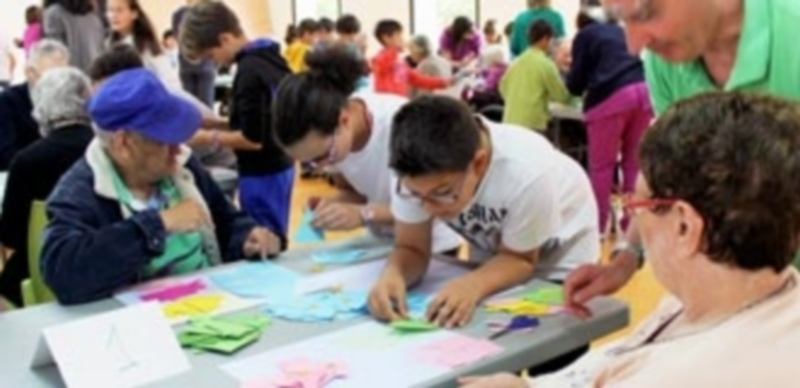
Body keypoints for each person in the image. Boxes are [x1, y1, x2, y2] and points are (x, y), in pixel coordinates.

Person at [459, 92, 800, 388]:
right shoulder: (737, 293)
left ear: (684, 227)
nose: (634, 217)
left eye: (637, 204)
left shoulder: (687, 374)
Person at [567, 0, 800, 312]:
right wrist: (628, 254)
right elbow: (670, 172)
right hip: (740, 292)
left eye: (646, 14)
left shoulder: (791, 34)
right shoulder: (667, 63)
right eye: (623, 21)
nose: (634, 46)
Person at [41, 69, 280, 305]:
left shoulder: (182, 166)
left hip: (210, 307)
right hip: (140, 327)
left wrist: (248, 238)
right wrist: (159, 224)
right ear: (123, 144)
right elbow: (63, 274)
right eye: (164, 140)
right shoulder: (81, 190)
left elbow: (228, 222)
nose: (178, 148)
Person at [368, 95, 599, 329]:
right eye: (416, 195)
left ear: (478, 164)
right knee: (488, 335)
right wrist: (394, 274)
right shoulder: (412, 173)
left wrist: (472, 285)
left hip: (560, 252)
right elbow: (412, 247)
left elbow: (520, 259)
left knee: (552, 342)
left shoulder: (526, 174)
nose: (428, 207)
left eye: (443, 193)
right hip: (498, 249)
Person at [272, 45, 462, 254]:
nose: (319, 167)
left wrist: (363, 214)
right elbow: (353, 192)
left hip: (432, 244)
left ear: (343, 121)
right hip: (381, 245)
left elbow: (428, 204)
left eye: (322, 157)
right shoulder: (331, 142)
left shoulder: (400, 125)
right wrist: (331, 205)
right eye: (308, 163)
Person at [180, 0, 295, 250]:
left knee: (264, 239)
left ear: (225, 38)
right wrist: (213, 122)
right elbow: (257, 120)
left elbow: (253, 139)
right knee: (275, 233)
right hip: (281, 165)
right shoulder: (269, 58)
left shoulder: (247, 72)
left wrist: (202, 137)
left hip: (262, 172)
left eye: (211, 56)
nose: (215, 63)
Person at [0, 67, 94, 307]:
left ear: (40, 108)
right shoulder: (107, 150)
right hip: (102, 262)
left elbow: (10, 236)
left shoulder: (26, 162)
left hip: (38, 272)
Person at [566, 9, 652, 235]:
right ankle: (630, 225)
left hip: (612, 98)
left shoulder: (586, 34)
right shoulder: (621, 30)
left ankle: (598, 226)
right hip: (644, 92)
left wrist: (571, 74)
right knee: (633, 163)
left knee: (602, 166)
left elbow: (574, 84)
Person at [0, 39, 69, 171]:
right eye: (49, 77)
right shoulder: (8, 102)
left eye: (63, 77)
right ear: (29, 73)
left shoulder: (69, 101)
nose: (58, 84)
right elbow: (4, 155)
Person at [500, 21, 571, 132]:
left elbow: (503, 88)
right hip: (532, 125)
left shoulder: (516, 62)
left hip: (509, 122)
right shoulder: (545, 64)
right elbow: (562, 97)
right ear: (545, 39)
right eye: (551, 40)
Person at [372, 19, 451, 97]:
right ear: (386, 38)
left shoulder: (400, 61)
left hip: (399, 101)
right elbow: (382, 66)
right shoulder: (380, 58)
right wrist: (394, 49)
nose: (402, 39)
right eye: (398, 35)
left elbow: (416, 79)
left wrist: (442, 83)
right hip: (386, 103)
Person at [172, 0, 217, 108]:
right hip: (190, 65)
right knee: (193, 105)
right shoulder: (179, 14)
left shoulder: (207, 11)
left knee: (202, 105)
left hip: (202, 64)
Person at [42, 0, 105, 73]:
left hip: (70, 79)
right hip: (94, 77)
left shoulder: (53, 14)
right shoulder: (94, 17)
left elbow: (55, 56)